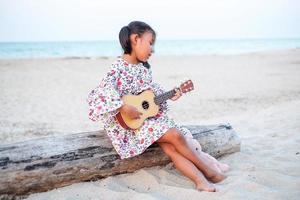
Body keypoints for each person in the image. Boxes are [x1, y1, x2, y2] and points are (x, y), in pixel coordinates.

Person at [87, 21, 229, 192]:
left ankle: (200, 181)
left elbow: (150, 96)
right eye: (150, 43)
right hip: (129, 127)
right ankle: (209, 171)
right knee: (175, 134)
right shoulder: (117, 67)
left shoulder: (144, 70)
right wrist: (122, 107)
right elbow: (99, 93)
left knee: (171, 149)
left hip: (146, 122)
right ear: (135, 39)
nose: (152, 50)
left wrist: (171, 94)